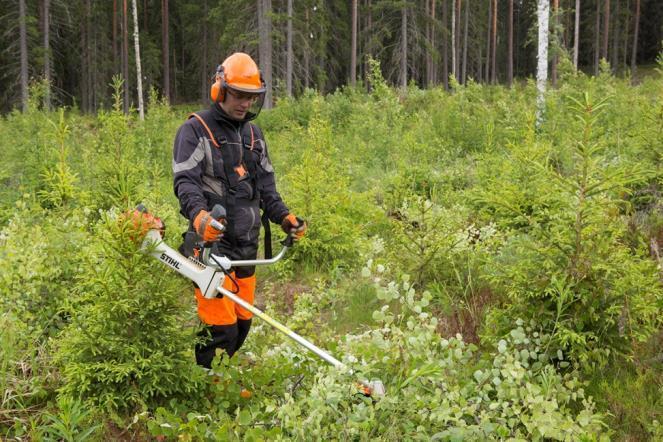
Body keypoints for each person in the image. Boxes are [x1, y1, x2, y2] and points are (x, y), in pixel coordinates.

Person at [172, 52, 306, 369]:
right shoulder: (195, 130)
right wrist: (199, 217)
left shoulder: (253, 136)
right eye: (238, 95)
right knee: (220, 330)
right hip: (210, 247)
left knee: (243, 323)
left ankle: (224, 383)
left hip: (247, 248)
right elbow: (186, 184)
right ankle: (208, 391)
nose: (244, 104)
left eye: (250, 97)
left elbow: (267, 190)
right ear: (220, 90)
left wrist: (285, 218)